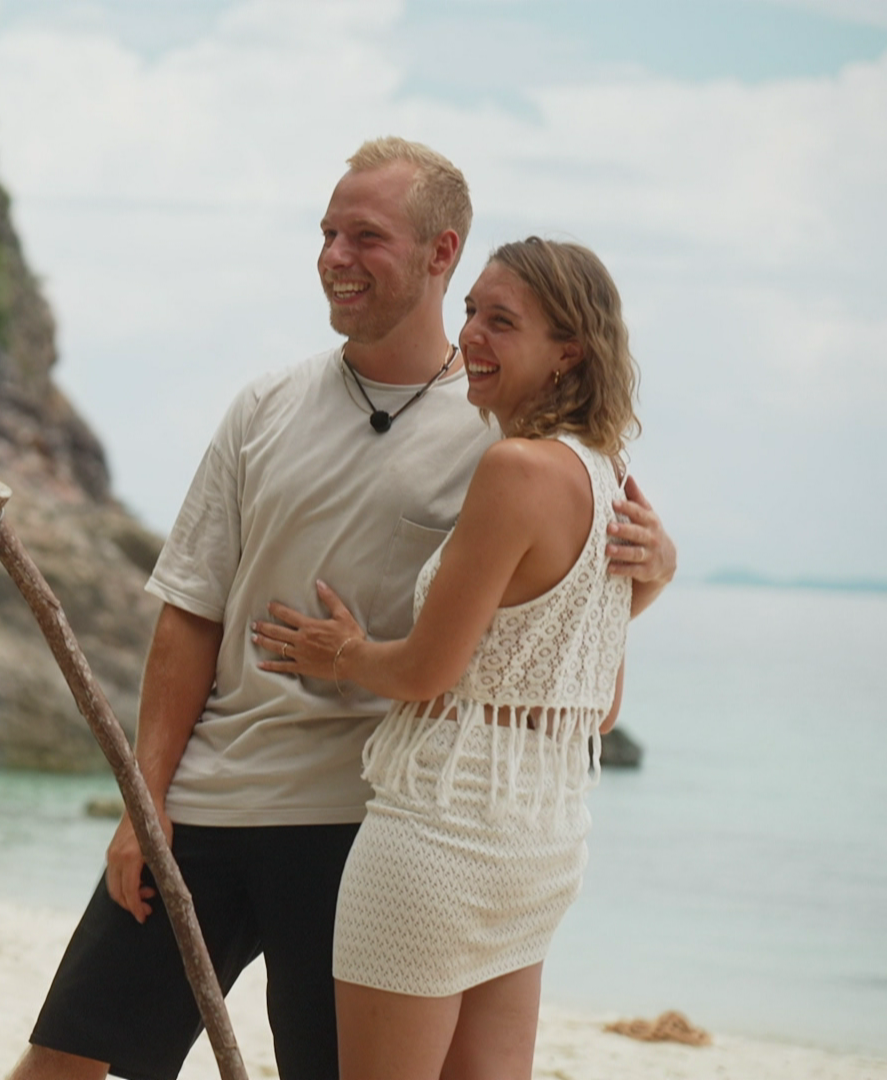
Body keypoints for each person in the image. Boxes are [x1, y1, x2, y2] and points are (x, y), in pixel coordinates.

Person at [6, 139, 676, 1080]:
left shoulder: (503, 432)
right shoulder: (264, 407)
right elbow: (191, 613)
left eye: (366, 235)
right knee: (61, 1063)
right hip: (207, 806)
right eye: (327, 233)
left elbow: (556, 627)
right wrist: (143, 804)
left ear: (442, 252)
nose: (335, 256)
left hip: (361, 827)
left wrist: (651, 574)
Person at [251, 236, 642, 1080]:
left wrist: (342, 652)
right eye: (470, 311)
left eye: (502, 321)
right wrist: (659, 579)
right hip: (544, 843)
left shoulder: (515, 468)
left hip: (440, 834)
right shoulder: (608, 477)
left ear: (569, 352)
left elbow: (426, 671)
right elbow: (601, 706)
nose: (470, 335)